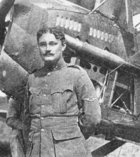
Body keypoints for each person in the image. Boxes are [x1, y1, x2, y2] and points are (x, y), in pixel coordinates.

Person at [24, 27, 101, 157]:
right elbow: (27, 119)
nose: (48, 49)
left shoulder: (77, 75)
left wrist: (72, 138)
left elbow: (92, 118)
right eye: (43, 44)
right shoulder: (33, 78)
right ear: (38, 47)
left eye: (53, 44)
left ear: (63, 46)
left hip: (69, 151)